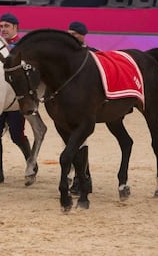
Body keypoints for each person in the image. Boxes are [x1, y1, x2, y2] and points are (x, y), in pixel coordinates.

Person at [0, 13, 34, 184]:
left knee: (17, 136)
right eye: (1, 26)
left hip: (17, 100)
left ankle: (31, 160)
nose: (3, 29)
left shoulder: (23, 46)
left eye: (6, 26)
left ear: (16, 27)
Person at [67, 21, 95, 195]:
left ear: (83, 35)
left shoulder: (92, 55)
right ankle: (82, 177)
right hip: (67, 107)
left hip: (85, 107)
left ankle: (81, 178)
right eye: (68, 33)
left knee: (78, 144)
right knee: (73, 144)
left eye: (74, 34)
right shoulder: (63, 57)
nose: (71, 37)